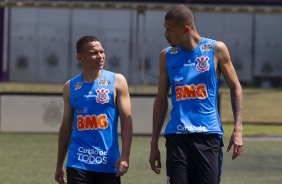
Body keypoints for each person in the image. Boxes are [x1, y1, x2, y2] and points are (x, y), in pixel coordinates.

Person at [149, 4, 243, 184]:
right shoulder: (166, 56)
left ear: (185, 29)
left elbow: (236, 88)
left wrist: (238, 128)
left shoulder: (217, 49)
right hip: (177, 137)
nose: (165, 35)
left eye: (169, 30)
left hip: (208, 136)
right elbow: (161, 100)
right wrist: (154, 144)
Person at [54, 35, 133, 184]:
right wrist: (59, 164)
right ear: (80, 58)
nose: (100, 56)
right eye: (93, 53)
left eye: (102, 52)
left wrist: (125, 155)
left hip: (109, 163)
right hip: (77, 161)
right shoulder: (69, 87)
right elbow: (66, 126)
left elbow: (127, 120)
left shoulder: (117, 81)